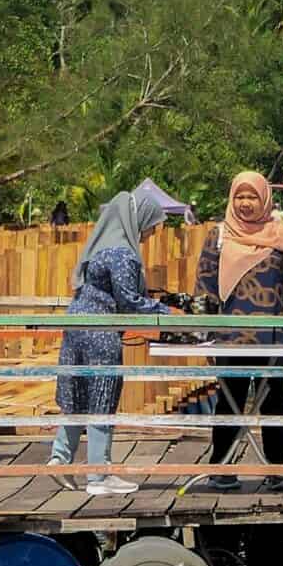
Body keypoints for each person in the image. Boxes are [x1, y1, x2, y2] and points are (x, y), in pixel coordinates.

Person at [195, 172, 283, 488]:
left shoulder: (282, 235)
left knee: (274, 402)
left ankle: (276, 470)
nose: (246, 203)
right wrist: (205, 337)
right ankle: (221, 471)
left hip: (274, 336)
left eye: (252, 197)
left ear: (264, 200)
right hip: (232, 337)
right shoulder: (219, 235)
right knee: (230, 401)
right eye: (240, 197)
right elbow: (206, 287)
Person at [50, 188, 177, 494]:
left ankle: (59, 458)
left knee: (77, 396)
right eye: (150, 226)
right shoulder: (123, 253)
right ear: (138, 220)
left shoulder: (98, 248)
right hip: (100, 331)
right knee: (102, 398)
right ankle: (99, 475)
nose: (149, 234)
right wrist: (168, 311)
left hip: (76, 324)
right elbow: (130, 301)